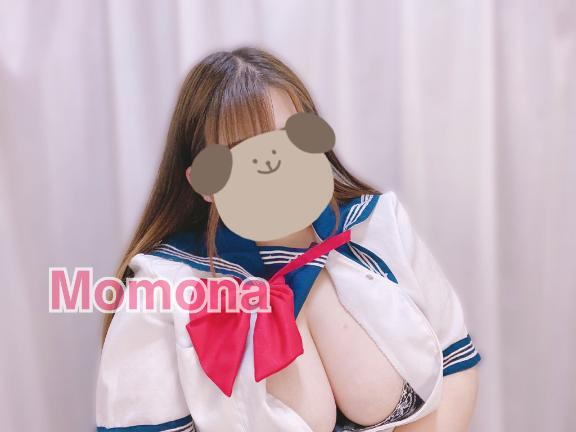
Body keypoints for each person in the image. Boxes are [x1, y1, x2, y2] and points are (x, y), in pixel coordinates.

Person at [96, 47, 480, 432]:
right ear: (203, 182)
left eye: (285, 140)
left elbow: (455, 365)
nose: (269, 164)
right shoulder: (163, 287)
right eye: (238, 153)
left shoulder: (378, 226)